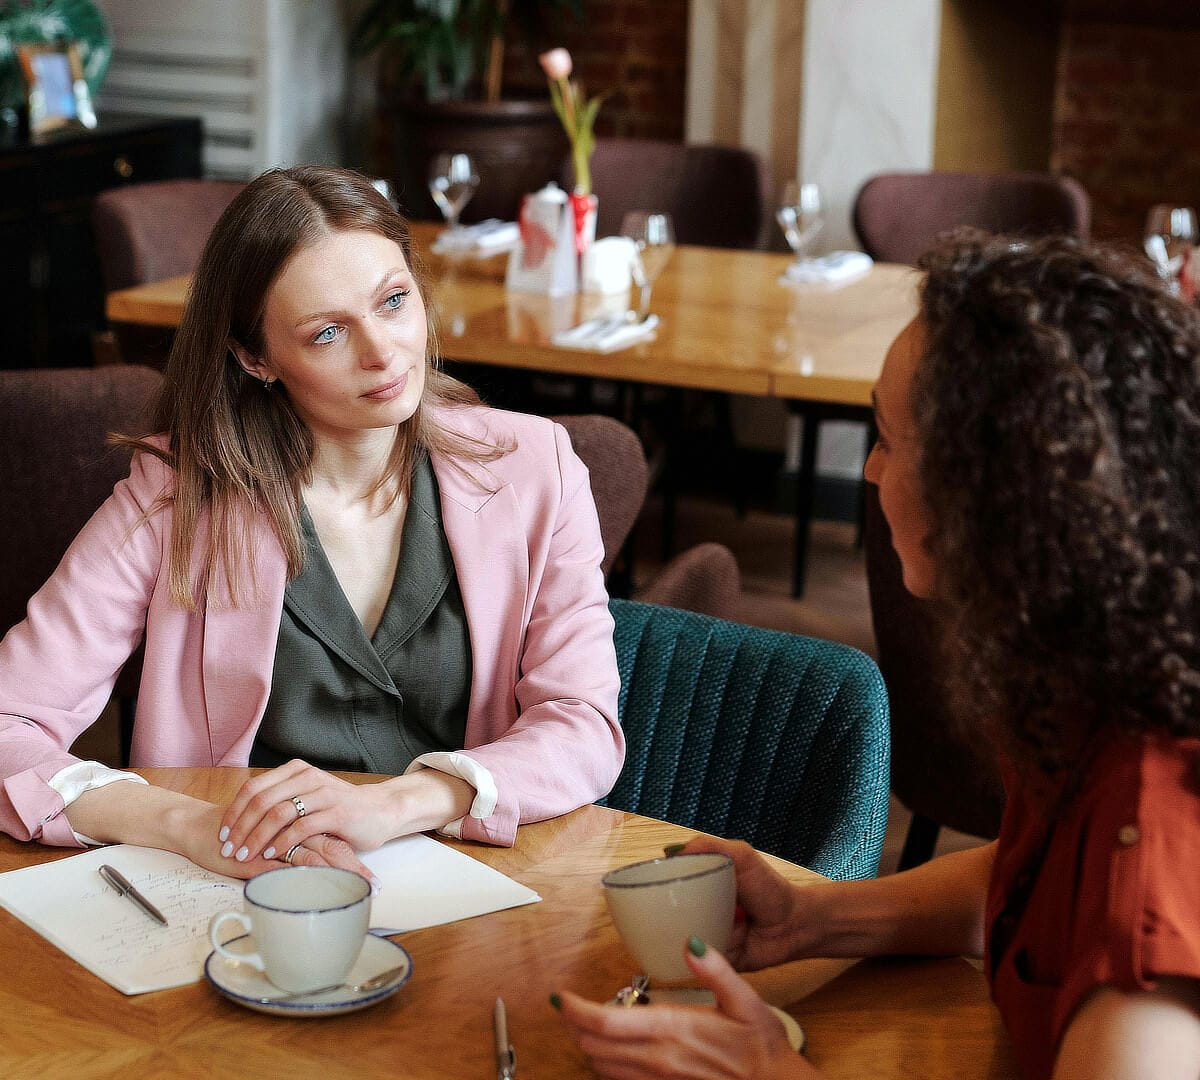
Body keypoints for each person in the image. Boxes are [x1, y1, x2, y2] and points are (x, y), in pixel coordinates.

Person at [555, 230, 1200, 1079]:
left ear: (993, 502)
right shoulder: (1103, 680)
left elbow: (1110, 923)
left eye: (889, 438)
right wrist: (813, 919)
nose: (867, 468)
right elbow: (1032, 893)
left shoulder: (1149, 868)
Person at [0, 165, 624, 884]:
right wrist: (188, 824)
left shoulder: (536, 467)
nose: (382, 352)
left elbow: (582, 725)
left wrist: (404, 802)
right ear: (254, 357)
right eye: (327, 332)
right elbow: (11, 723)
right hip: (241, 893)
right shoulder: (177, 495)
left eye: (394, 301)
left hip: (469, 880)